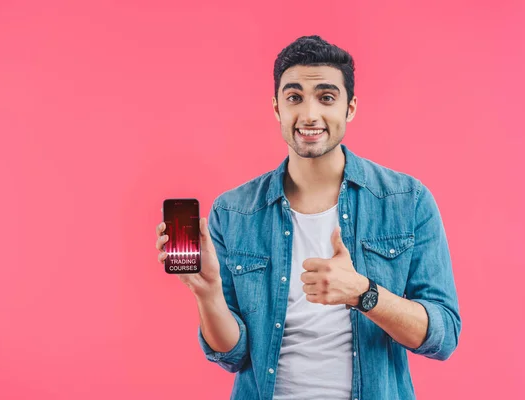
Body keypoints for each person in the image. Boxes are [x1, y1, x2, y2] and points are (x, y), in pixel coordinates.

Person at [155, 35, 461, 400]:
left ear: (350, 108)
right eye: (295, 97)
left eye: (327, 97)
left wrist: (363, 293)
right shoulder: (234, 212)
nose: (310, 114)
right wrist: (208, 294)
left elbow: (443, 335)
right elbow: (233, 355)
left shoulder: (407, 201)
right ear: (276, 108)